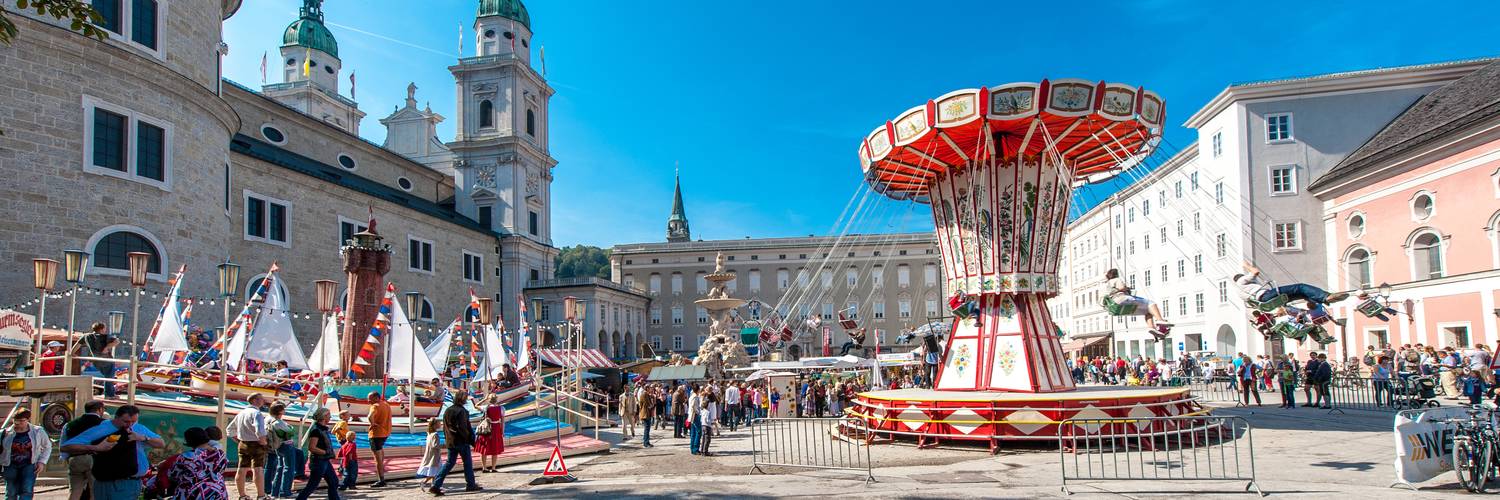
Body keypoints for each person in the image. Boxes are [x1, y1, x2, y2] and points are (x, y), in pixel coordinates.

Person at [60, 405, 164, 500]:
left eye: (133, 421)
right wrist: (96, 447)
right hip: (109, 481)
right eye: (126, 421)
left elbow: (161, 443)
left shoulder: (138, 428)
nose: (130, 425)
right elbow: (66, 447)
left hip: (133, 481)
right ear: (117, 417)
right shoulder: (102, 428)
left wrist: (143, 438)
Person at [1234, 261, 1349, 313]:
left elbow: (1250, 304)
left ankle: (1318, 300)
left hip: (1265, 301)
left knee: (1301, 294)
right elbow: (1255, 272)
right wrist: (1247, 266)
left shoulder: (1239, 293)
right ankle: (1325, 297)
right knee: (1300, 286)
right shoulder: (1242, 280)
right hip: (1267, 295)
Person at [431, 391, 481, 495]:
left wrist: (447, 438)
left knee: (449, 463)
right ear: (463, 399)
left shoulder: (448, 410)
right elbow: (464, 428)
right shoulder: (462, 411)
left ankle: (436, 484)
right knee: (467, 463)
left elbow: (445, 427)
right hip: (461, 441)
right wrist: (471, 440)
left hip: (451, 441)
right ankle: (471, 484)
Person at [1101, 269, 1171, 339]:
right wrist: (1126, 288)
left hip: (1115, 308)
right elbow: (1121, 288)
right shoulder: (1116, 279)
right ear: (1116, 274)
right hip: (1122, 299)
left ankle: (1152, 328)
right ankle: (1160, 320)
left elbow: (1102, 300)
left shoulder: (1105, 286)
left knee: (1148, 312)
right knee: (1151, 303)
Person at [227, 393, 270, 500]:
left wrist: (238, 440)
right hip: (256, 443)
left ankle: (242, 495)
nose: (263, 401)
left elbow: (230, 429)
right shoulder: (257, 413)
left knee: (241, 469)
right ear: (255, 400)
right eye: (261, 399)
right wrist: (263, 442)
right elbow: (260, 430)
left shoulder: (241, 413)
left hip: (243, 443)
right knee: (258, 469)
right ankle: (261, 495)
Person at [61, 400, 107, 500]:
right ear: (99, 410)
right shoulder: (104, 424)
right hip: (94, 460)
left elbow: (64, 443)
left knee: (75, 491)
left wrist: (67, 458)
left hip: (75, 459)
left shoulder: (69, 425)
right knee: (94, 491)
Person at [166, 427, 228, 500]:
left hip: (193, 494)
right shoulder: (220, 454)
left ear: (189, 442)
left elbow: (172, 475)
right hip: (219, 493)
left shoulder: (184, 457)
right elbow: (221, 470)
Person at [1, 409, 50, 500]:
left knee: (27, 490)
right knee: (11, 491)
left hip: (29, 465)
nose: (17, 423)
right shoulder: (6, 433)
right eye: (15, 420)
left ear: (27, 420)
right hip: (10, 465)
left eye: (21, 421)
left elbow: (47, 446)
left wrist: (42, 462)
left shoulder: (37, 431)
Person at [295, 408, 338, 500]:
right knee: (312, 485)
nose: (330, 417)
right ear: (324, 417)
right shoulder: (316, 430)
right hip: (318, 461)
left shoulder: (323, 429)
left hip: (325, 460)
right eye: (329, 415)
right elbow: (312, 447)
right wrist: (325, 452)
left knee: (334, 481)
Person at [266, 403, 297, 498]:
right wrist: (290, 428)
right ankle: (285, 491)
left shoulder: (272, 421)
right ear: (280, 411)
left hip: (278, 446)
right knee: (289, 468)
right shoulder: (279, 423)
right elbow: (291, 431)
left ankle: (275, 491)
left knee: (280, 468)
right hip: (286, 445)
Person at [83, 322, 119, 397]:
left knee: (108, 376)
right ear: (102, 329)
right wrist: (106, 348)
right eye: (105, 328)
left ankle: (110, 394)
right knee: (109, 377)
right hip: (107, 360)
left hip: (96, 361)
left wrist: (72, 353)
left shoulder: (87, 336)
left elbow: (78, 344)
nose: (105, 330)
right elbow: (117, 341)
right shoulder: (105, 336)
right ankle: (109, 395)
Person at [367, 392, 392, 487]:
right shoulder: (386, 404)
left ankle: (381, 479)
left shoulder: (375, 406)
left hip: (376, 434)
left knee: (377, 458)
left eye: (370, 398)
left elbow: (370, 416)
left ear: (376, 398)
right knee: (380, 452)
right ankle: (381, 476)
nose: (368, 401)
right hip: (385, 432)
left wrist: (372, 423)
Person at [475, 393, 506, 473]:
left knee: (484, 448)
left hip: (487, 428)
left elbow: (476, 405)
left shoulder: (486, 407)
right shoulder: (501, 408)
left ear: (489, 399)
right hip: (496, 428)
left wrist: (484, 399)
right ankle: (493, 467)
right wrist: (502, 431)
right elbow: (502, 421)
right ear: (497, 399)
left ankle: (484, 467)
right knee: (495, 448)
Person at [416, 418, 443, 489]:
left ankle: (433, 485)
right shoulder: (435, 434)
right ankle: (426, 483)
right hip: (435, 456)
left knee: (434, 472)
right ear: (435, 425)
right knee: (435, 472)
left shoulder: (429, 434)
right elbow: (435, 445)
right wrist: (445, 445)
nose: (440, 424)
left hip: (431, 455)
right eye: (439, 423)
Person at [335, 426, 357, 491]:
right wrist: (351, 459)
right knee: (353, 473)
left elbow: (340, 454)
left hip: (344, 461)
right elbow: (350, 452)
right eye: (354, 436)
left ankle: (343, 485)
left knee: (345, 473)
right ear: (352, 437)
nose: (355, 437)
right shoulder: (353, 444)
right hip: (351, 460)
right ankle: (351, 485)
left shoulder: (344, 445)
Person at [699, 390, 718, 457]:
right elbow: (707, 420)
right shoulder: (708, 412)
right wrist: (711, 423)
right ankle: (705, 451)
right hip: (707, 426)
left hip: (703, 425)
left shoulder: (702, 411)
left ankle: (702, 450)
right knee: (707, 439)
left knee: (703, 438)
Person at [638, 383, 658, 448]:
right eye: (649, 388)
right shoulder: (645, 394)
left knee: (647, 429)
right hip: (645, 413)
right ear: (647, 388)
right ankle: (646, 443)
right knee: (646, 429)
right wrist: (652, 405)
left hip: (646, 413)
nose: (651, 389)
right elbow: (648, 404)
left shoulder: (646, 394)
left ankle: (647, 442)